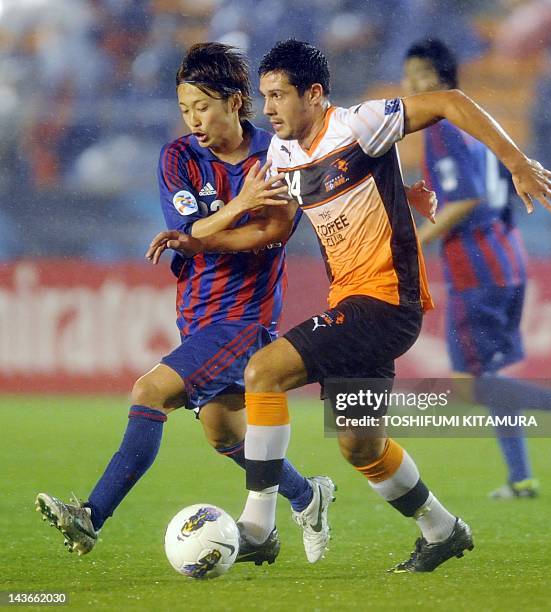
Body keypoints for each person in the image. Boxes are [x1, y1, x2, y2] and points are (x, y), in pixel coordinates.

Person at [146, 39, 551, 573]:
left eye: (278, 96)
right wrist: (202, 242)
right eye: (264, 96)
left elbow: (449, 101)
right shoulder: (280, 154)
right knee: (360, 445)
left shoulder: (361, 124)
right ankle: (442, 530)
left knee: (263, 371)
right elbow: (275, 229)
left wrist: (518, 162)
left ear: (315, 94)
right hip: (351, 300)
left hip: (388, 300)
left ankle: (257, 525)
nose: (268, 109)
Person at [35, 42, 338, 565]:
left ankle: (91, 515)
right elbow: (182, 228)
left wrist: (206, 233)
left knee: (149, 392)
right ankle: (308, 496)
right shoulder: (177, 156)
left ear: (235, 101)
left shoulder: (277, 154)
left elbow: (273, 233)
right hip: (197, 315)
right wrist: (232, 210)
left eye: (202, 107)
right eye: (184, 110)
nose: (193, 120)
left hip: (245, 318)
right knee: (222, 434)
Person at [403, 38, 551, 500]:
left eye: (414, 75)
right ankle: (521, 479)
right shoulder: (481, 124)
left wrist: (414, 242)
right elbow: (502, 189)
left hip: (475, 270)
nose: (407, 85)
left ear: (434, 79)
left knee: (469, 383)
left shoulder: (440, 128)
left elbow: (466, 198)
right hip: (507, 260)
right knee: (494, 378)